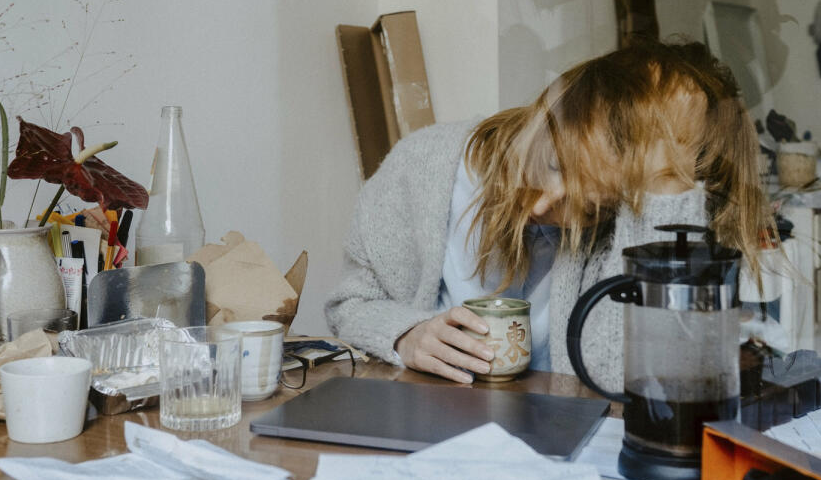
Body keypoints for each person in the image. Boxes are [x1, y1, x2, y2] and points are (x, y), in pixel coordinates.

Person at [325, 40, 771, 390]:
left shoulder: (624, 224)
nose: (540, 205)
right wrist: (408, 334)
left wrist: (663, 193)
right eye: (553, 164)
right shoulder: (422, 166)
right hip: (428, 422)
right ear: (546, 116)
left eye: (590, 207)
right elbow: (351, 305)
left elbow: (621, 377)